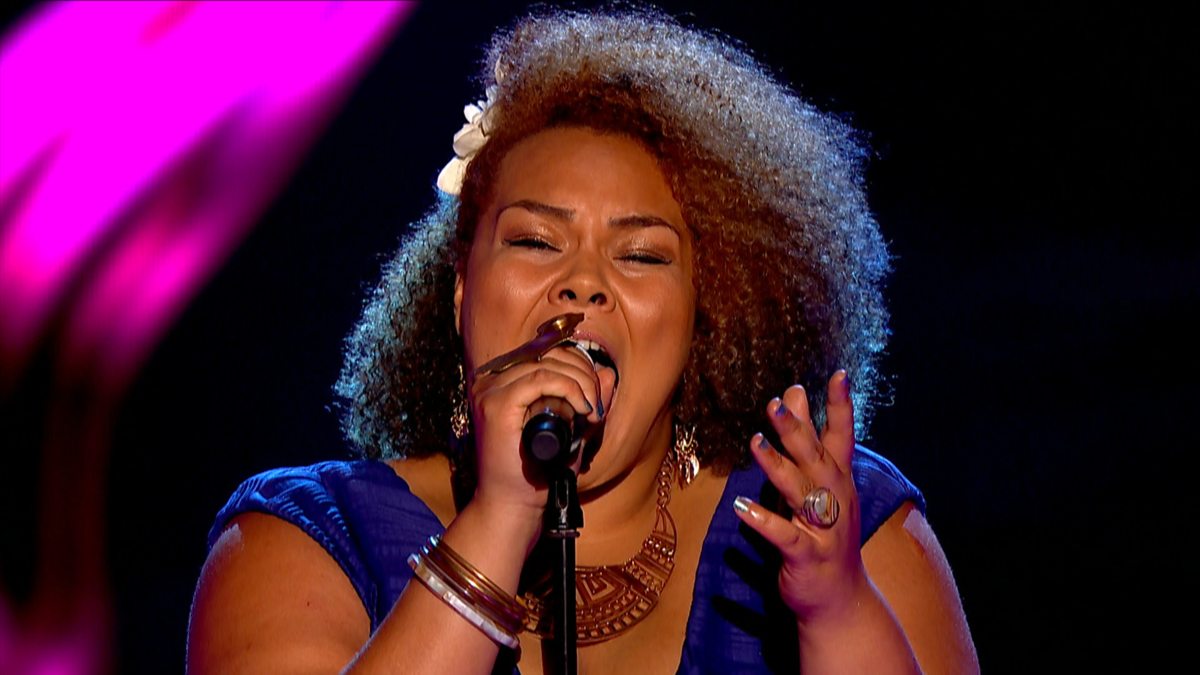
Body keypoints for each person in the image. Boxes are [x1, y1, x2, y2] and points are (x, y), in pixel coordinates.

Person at [186, 5, 978, 674]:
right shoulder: (304, 539)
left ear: (705, 311)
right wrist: (502, 515)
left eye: (641, 255)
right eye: (536, 241)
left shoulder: (831, 522)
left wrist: (836, 612)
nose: (584, 283)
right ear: (461, 289)